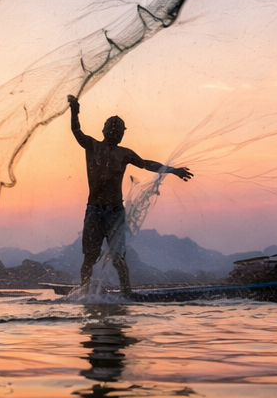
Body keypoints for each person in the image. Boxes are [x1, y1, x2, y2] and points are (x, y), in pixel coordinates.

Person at [68, 94, 193, 295]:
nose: (115, 133)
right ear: (104, 130)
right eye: (112, 128)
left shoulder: (124, 154)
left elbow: (147, 164)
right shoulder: (92, 146)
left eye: (119, 131)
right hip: (94, 211)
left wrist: (172, 170)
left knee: (118, 258)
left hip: (115, 212)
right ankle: (84, 295)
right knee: (90, 258)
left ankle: (127, 295)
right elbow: (76, 131)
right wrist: (75, 110)